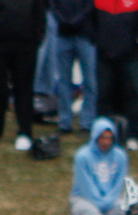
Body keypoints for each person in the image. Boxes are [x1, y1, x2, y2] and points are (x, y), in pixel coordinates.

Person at [94, 0, 138, 150]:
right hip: (105, 57)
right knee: (103, 95)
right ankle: (101, 134)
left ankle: (133, 134)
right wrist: (98, 40)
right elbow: (89, 21)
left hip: (130, 57)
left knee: (132, 94)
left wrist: (137, 41)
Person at [0, 0, 46, 151]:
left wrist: (36, 38)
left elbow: (40, 14)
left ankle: (25, 132)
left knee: (24, 90)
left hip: (25, 45)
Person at [69, 117, 129, 215]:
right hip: (84, 198)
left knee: (128, 208)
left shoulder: (120, 156)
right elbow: (85, 187)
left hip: (111, 200)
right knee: (90, 211)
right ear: (95, 137)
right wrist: (100, 203)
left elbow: (118, 184)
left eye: (110, 138)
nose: (106, 142)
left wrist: (108, 201)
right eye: (103, 138)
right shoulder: (82, 156)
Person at [50, 0, 97, 136]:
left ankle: (87, 123)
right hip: (63, 34)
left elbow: (91, 5)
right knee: (64, 81)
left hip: (85, 34)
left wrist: (77, 20)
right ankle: (65, 123)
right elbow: (52, 4)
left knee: (90, 81)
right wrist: (63, 20)